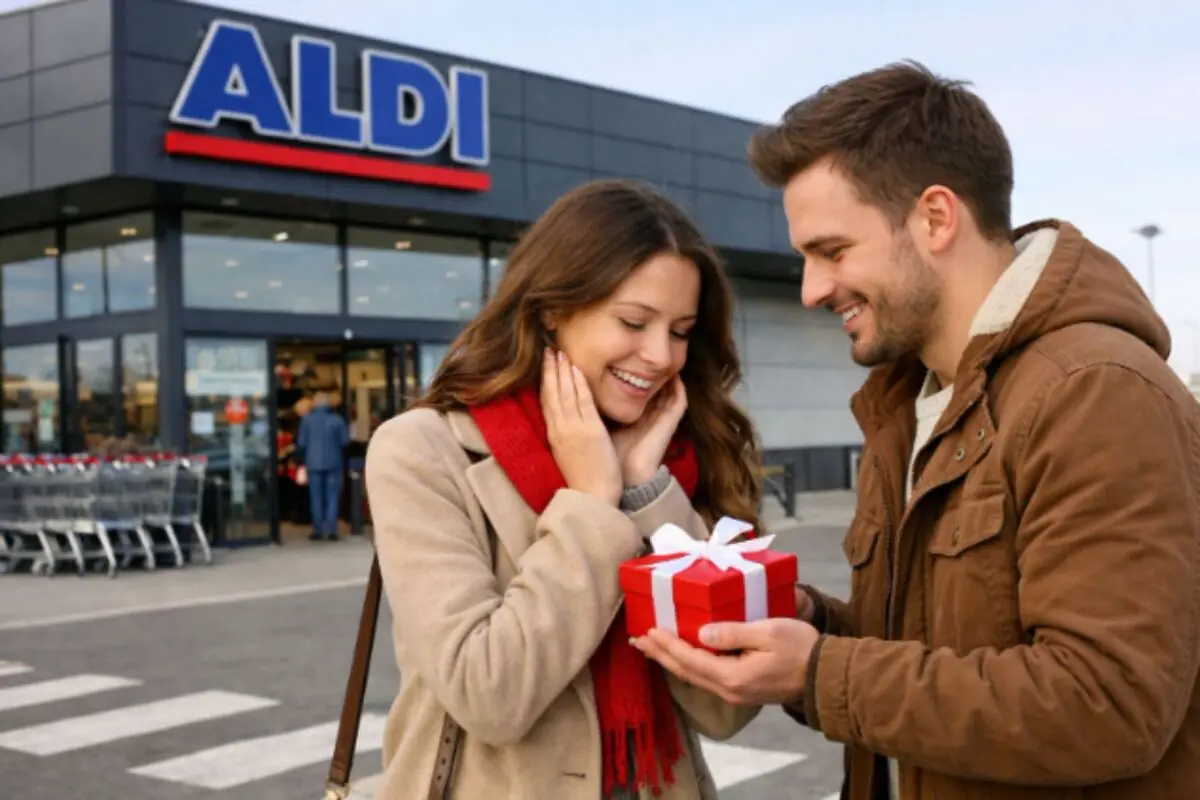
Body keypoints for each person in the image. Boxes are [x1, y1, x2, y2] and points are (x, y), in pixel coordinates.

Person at [632, 61, 1200, 799]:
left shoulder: (1094, 391)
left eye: (832, 252)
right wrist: (807, 624)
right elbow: (927, 654)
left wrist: (816, 670)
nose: (811, 290)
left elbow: (1107, 703)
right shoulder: (911, 404)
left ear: (935, 217)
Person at [363, 179, 766, 799]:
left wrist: (647, 492)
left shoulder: (680, 456)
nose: (661, 355)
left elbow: (726, 706)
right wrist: (591, 504)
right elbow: (488, 693)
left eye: (681, 330)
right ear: (553, 309)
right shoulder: (423, 451)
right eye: (634, 321)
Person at [296, 391, 349, 540]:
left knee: (316, 497)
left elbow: (302, 443)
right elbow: (344, 441)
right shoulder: (337, 420)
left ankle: (317, 530)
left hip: (313, 463)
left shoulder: (306, 420)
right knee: (332, 496)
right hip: (333, 462)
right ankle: (332, 530)